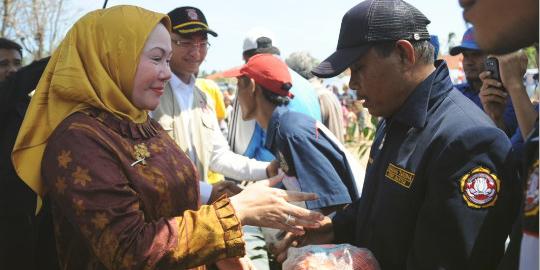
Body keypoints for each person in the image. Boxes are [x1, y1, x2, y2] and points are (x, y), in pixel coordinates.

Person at [11, 6, 324, 269]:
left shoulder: (137, 118)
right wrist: (236, 212)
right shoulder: (79, 140)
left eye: (166, 58)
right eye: (157, 58)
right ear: (111, 58)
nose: (165, 72)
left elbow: (163, 184)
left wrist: (221, 194)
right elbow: (129, 249)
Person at [272, 0, 519, 268]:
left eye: (359, 68)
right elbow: (380, 209)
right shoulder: (395, 118)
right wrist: (332, 228)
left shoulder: (469, 141)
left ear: (404, 55)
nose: (352, 84)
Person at [151, 7, 277, 206]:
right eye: (185, 42)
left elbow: (218, 156)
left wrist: (268, 170)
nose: (196, 51)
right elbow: (150, 168)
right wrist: (208, 192)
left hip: (196, 212)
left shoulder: (202, 97)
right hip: (162, 214)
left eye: (202, 43)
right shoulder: (151, 94)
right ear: (166, 43)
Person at [224, 53, 361, 212]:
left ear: (253, 87)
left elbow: (334, 202)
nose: (236, 96)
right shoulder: (283, 127)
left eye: (239, 85)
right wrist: (244, 196)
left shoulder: (289, 132)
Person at [458, 1, 539, 269]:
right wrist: (493, 117)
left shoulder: (520, 103)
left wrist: (514, 87)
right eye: (464, 56)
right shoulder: (456, 95)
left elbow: (520, 163)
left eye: (476, 54)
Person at [228, 29, 321, 163]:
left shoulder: (249, 84)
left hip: (270, 176)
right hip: (307, 167)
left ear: (245, 58)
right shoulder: (306, 84)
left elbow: (241, 150)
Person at [450, 27, 517, 136]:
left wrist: (496, 118)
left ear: (493, 57)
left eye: (475, 54)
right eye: (465, 55)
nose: (468, 62)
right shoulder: (453, 92)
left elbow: (509, 142)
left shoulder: (508, 98)